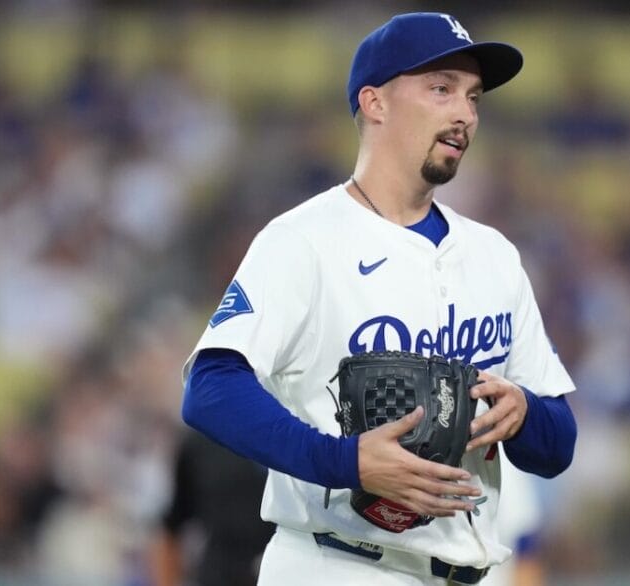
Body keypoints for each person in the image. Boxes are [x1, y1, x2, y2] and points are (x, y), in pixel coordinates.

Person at [181, 12, 578, 585]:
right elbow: (211, 388)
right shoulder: (303, 240)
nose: (465, 113)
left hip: (469, 572)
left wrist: (526, 413)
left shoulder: (494, 255)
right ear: (375, 103)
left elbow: (557, 444)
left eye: (472, 97)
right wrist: (343, 461)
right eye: (441, 89)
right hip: (337, 563)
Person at [149, 429, 274, 586]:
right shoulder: (203, 439)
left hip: (288, 571)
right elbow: (171, 527)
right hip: (222, 574)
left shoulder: (296, 432)